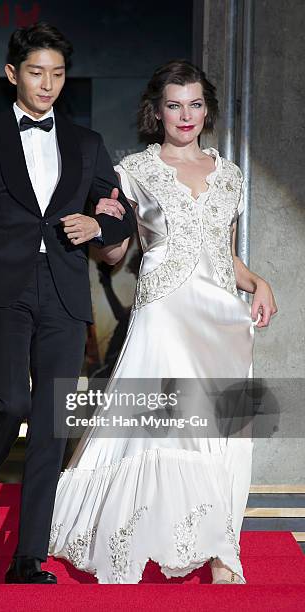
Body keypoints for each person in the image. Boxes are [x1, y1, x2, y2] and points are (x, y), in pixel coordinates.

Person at [48, 60, 278, 584]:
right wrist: (99, 230)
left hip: (222, 316)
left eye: (195, 104)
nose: (186, 115)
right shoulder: (135, 171)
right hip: (165, 312)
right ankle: (154, 539)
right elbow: (116, 253)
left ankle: (224, 548)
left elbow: (223, 255)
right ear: (157, 111)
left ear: (207, 110)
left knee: (225, 429)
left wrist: (258, 283)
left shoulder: (230, 175)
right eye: (174, 105)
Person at [0, 23, 136, 584]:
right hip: (4, 289)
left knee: (50, 421)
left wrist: (97, 221)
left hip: (66, 291)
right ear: (11, 74)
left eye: (57, 73)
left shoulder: (87, 142)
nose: (47, 83)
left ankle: (28, 557)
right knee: (11, 403)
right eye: (35, 72)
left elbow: (118, 211)